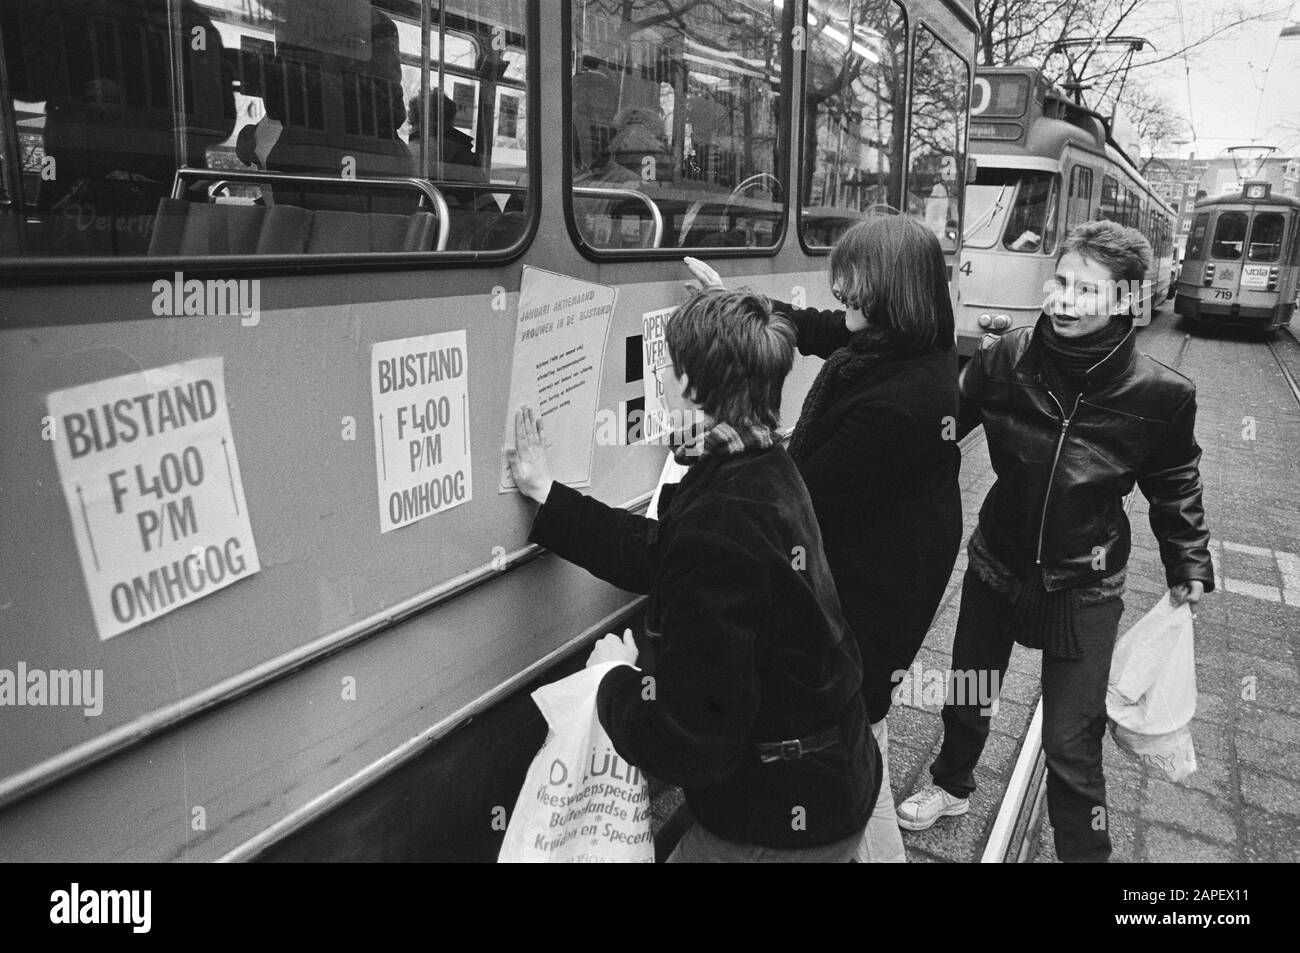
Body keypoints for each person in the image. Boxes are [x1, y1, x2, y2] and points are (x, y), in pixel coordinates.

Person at [506, 289, 880, 862]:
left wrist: (612, 682)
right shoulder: (763, 464)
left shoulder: (724, 517)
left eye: (666, 371)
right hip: (827, 777)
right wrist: (549, 498)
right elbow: (660, 551)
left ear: (689, 386)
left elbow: (688, 744)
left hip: (779, 816)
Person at [896, 220, 1214, 862]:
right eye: (1060, 282)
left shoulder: (1163, 393)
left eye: (1086, 291)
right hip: (998, 563)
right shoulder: (1005, 357)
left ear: (1124, 300)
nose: (1064, 300)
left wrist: (1189, 562)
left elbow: (1175, 481)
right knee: (969, 692)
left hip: (1085, 583)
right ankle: (951, 785)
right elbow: (942, 429)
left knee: (1071, 744)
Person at [685, 214, 964, 862]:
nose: (842, 292)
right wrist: (733, 300)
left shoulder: (903, 400)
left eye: (854, 280)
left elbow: (799, 495)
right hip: (883, 567)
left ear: (894, 290)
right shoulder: (900, 341)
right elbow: (813, 328)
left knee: (858, 735)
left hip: (876, 597)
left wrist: (710, 491)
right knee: (864, 751)